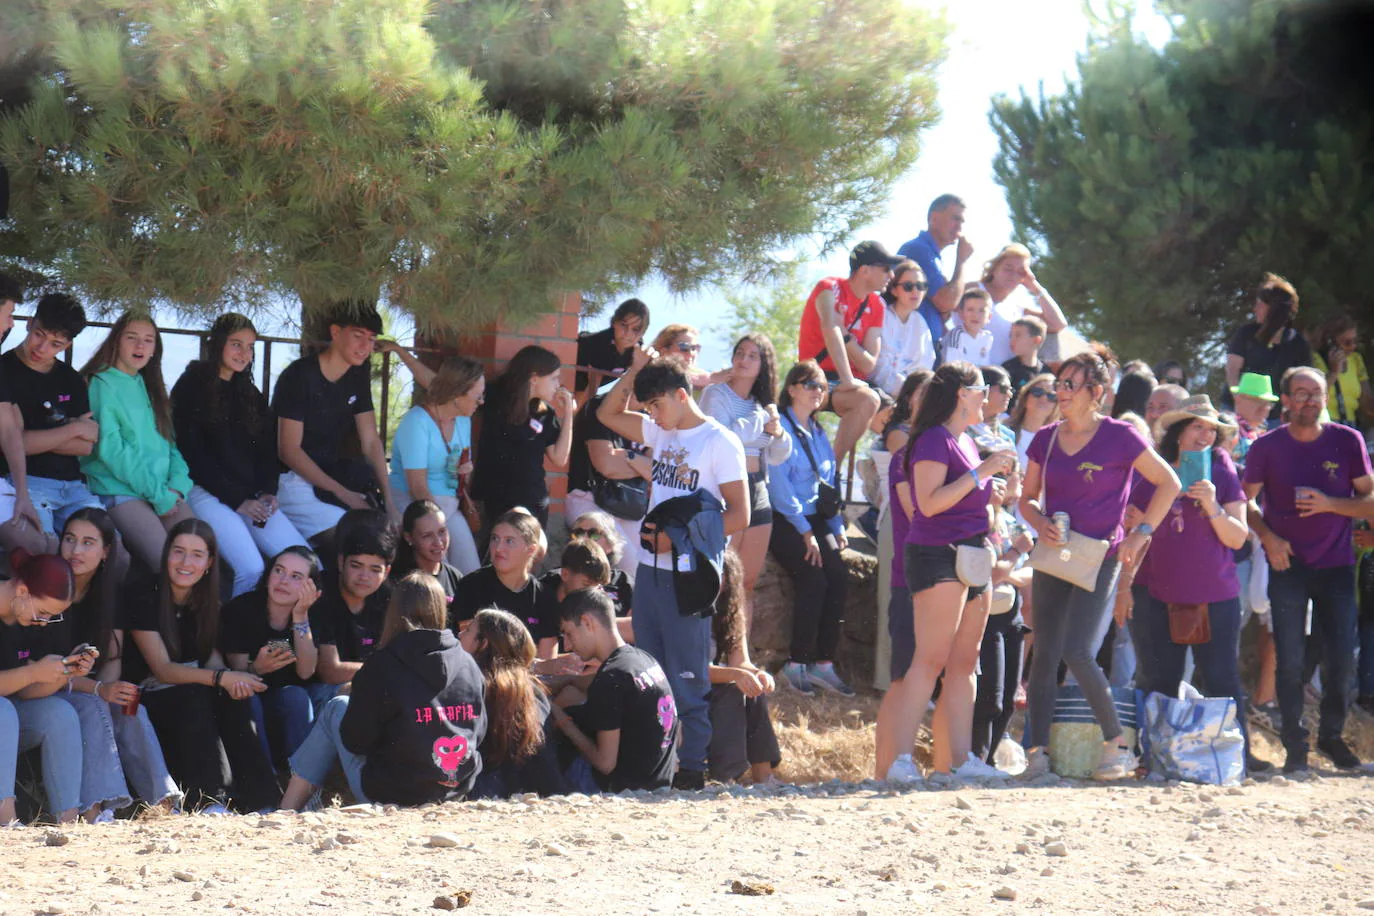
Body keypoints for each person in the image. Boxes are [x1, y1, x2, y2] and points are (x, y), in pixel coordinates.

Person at [1019, 348, 1181, 780]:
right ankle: (1037, 754)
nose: (1061, 392)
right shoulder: (1045, 438)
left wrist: (1141, 532)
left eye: (1071, 385)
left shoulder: (1122, 436)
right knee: (1044, 654)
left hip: (1103, 557)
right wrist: (1040, 522)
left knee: (1077, 651)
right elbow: (1026, 499)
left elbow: (1170, 482)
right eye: (1059, 384)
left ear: (1098, 393)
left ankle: (1119, 746)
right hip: (1056, 554)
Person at [597, 350, 748, 790]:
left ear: (683, 395)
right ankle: (653, 765)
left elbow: (740, 515)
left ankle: (692, 768)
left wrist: (680, 538)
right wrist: (634, 372)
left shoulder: (720, 442)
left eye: (657, 406)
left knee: (687, 674)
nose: (652, 417)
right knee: (650, 670)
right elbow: (608, 412)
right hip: (649, 569)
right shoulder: (659, 428)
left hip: (690, 575)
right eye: (647, 410)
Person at [880, 363, 1017, 783]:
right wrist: (983, 473)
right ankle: (901, 761)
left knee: (964, 662)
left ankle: (961, 761)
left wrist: (987, 490)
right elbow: (929, 503)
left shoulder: (965, 442)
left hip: (972, 555)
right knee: (930, 660)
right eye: (982, 390)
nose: (988, 397)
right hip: (938, 555)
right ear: (962, 393)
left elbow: (961, 496)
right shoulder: (936, 439)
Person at [1241, 367, 1374, 772]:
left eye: (1316, 394)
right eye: (1300, 393)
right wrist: (1268, 538)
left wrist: (1331, 504)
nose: (1310, 401)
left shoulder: (1346, 440)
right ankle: (1295, 749)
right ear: (1285, 400)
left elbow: (1370, 499)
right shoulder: (1267, 446)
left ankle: (1332, 741)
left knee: (1340, 659)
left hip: (1336, 564)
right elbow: (1244, 504)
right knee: (1291, 659)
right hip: (1288, 564)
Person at [1127, 397, 1263, 771]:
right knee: (1161, 680)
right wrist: (1124, 588)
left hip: (1215, 593)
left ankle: (1238, 758)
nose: (1206, 435)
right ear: (1178, 431)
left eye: (1211, 429)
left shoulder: (1220, 467)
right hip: (1157, 592)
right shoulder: (1153, 469)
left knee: (1221, 678)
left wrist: (1213, 504)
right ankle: (1157, 759)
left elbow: (1238, 538)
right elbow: (1135, 527)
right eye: (1197, 427)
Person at [279, 573, 488, 809]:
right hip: (456, 790)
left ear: (394, 611)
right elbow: (478, 733)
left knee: (336, 707)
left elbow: (355, 742)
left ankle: (287, 809)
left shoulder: (383, 664)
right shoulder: (469, 664)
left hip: (394, 794)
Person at [123, 519, 280, 813]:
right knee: (198, 693)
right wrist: (222, 677)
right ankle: (208, 799)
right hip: (145, 698)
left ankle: (262, 800)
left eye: (197, 554)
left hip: (188, 692)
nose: (186, 562)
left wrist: (238, 680)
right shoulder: (143, 595)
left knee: (232, 697)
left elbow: (213, 661)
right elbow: (163, 669)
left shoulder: (208, 600)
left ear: (209, 562)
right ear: (166, 554)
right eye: (178, 551)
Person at [171, 313, 309, 597]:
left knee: (305, 562)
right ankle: (233, 639)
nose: (244, 353)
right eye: (236, 344)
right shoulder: (191, 386)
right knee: (251, 568)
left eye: (250, 346)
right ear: (218, 344)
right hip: (205, 490)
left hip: (251, 497)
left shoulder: (249, 393)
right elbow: (193, 457)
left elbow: (268, 452)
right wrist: (239, 501)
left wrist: (269, 492)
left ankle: (285, 638)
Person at [58, 509, 182, 813]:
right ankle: (98, 810)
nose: (76, 550)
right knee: (96, 705)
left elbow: (112, 657)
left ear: (105, 552)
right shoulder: (48, 587)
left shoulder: (110, 594)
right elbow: (43, 668)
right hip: (49, 686)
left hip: (90, 685)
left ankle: (163, 804)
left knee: (130, 706)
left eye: (88, 542)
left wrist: (111, 687)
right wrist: (100, 689)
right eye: (70, 539)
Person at [273, 303, 399, 547]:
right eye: (358, 336)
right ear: (335, 332)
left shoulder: (357, 374)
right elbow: (288, 450)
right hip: (292, 479)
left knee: (384, 535)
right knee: (357, 540)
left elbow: (371, 441)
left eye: (372, 339)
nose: (366, 347)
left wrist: (391, 503)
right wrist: (343, 493)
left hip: (334, 476)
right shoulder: (299, 375)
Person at [79, 312, 195, 574]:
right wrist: (159, 495)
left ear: (155, 348)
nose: (140, 346)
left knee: (197, 552)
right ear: (116, 341)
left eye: (148, 340)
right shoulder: (101, 383)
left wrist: (177, 486)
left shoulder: (151, 386)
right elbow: (112, 451)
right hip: (121, 489)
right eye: (132, 338)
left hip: (163, 491)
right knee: (171, 566)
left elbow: (170, 445)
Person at [768, 361, 853, 697]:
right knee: (813, 577)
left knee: (840, 578)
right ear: (791, 389)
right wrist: (805, 531)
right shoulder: (781, 429)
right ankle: (796, 662)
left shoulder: (819, 433)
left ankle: (823, 664)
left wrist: (835, 526)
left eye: (821, 386)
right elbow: (779, 488)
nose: (818, 391)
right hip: (786, 519)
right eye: (809, 384)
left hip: (817, 518)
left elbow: (827, 485)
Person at [699, 333, 791, 630]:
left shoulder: (763, 405)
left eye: (753, 356)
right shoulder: (716, 394)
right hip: (725, 487)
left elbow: (777, 456)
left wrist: (777, 432)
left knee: (746, 583)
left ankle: (739, 657)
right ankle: (708, 655)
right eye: (740, 353)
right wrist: (760, 421)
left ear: (763, 365)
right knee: (719, 578)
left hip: (758, 488)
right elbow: (722, 436)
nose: (744, 360)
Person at [551, 588, 679, 792]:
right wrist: (565, 680)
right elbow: (607, 684)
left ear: (587, 622)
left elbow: (605, 763)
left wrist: (560, 720)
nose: (566, 645)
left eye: (568, 633)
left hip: (624, 788)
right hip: (658, 782)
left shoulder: (611, 678)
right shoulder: (643, 659)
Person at [0, 550, 89, 824]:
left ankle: (68, 821)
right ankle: (7, 819)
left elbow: (24, 692)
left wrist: (63, 673)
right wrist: (33, 671)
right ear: (23, 590)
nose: (44, 621)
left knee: (59, 713)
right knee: (3, 711)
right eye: (43, 612)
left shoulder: (22, 615)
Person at [0, 291, 86, 556]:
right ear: (29, 323)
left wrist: (38, 438)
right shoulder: (5, 369)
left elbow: (86, 447)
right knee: (44, 550)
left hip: (74, 484)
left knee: (112, 551)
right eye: (39, 335)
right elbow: (14, 439)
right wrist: (73, 429)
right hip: (28, 480)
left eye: (55, 344)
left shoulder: (71, 378)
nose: (42, 348)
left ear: (67, 346)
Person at [222, 546, 323, 762]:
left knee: (296, 697)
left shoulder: (312, 615)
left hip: (284, 704)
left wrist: (300, 616)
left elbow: (306, 672)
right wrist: (256, 668)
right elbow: (237, 672)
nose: (283, 581)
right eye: (279, 571)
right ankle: (265, 780)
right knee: (249, 697)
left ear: (311, 588)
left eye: (296, 577)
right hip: (244, 700)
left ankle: (302, 781)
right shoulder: (241, 609)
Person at [796, 241, 895, 460]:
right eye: (886, 269)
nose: (892, 275)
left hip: (853, 384)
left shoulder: (877, 305)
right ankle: (832, 473)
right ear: (865, 270)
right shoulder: (828, 288)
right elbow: (830, 328)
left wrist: (846, 335)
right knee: (868, 400)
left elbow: (868, 363)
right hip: (816, 378)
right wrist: (848, 379)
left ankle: (879, 477)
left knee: (901, 418)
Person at [387, 356, 485, 574]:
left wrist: (466, 471)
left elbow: (461, 474)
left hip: (448, 506)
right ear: (457, 394)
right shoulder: (417, 422)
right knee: (439, 570)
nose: (481, 402)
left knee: (471, 571)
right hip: (418, 506)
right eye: (477, 396)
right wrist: (440, 530)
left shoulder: (463, 419)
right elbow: (417, 487)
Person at [461, 608, 564, 798]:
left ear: (483, 644)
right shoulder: (534, 691)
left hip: (483, 794)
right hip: (536, 793)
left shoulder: (470, 688)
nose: (460, 634)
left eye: (468, 631)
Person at [470, 345, 575, 530]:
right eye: (554, 378)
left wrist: (568, 414)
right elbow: (453, 390)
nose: (558, 385)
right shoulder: (496, 395)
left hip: (533, 503)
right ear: (534, 378)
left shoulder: (545, 413)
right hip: (497, 501)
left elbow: (559, 458)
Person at [708, 550, 781, 784]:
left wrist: (758, 674)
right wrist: (735, 675)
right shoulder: (687, 612)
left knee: (754, 691)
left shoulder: (729, 613)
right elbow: (690, 668)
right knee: (733, 690)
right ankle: (725, 778)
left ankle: (764, 776)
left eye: (721, 574)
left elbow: (741, 661)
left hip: (720, 680)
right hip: (691, 683)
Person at [565, 382, 651, 579]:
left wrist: (627, 456)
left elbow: (654, 470)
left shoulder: (648, 419)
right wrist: (639, 462)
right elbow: (607, 465)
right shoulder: (599, 407)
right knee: (634, 568)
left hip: (629, 505)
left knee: (651, 565)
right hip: (589, 500)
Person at [450, 508, 561, 659]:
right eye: (495, 538)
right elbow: (471, 649)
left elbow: (547, 660)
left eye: (509, 541)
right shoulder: (471, 586)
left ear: (531, 549)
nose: (499, 548)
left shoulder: (544, 597)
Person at [310, 525, 396, 690]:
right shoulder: (321, 593)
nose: (364, 577)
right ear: (341, 562)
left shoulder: (388, 598)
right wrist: (386, 670)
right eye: (356, 566)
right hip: (320, 692)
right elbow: (329, 671)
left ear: (386, 572)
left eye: (375, 569)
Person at [897, 194, 973, 364]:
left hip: (922, 348)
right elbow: (946, 301)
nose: (959, 227)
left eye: (962, 222)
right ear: (934, 218)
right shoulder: (919, 249)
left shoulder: (931, 254)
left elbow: (945, 307)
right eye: (955, 219)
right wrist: (962, 260)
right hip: (911, 351)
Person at [1224, 273, 1311, 422]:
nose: (1254, 309)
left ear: (1273, 309)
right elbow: (1232, 369)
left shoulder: (1297, 343)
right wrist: (1241, 403)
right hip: (1237, 410)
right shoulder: (1246, 334)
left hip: (1276, 417)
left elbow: (1302, 382)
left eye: (1260, 305)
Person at [975, 244, 1069, 366]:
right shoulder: (974, 290)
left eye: (1020, 272)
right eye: (1008, 268)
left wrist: (1035, 287)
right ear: (995, 267)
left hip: (1001, 379)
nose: (1013, 275)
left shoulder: (1016, 308)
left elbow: (1057, 324)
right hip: (970, 376)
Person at [870, 260, 936, 396]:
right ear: (894, 290)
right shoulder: (882, 316)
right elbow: (879, 368)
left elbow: (925, 365)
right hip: (881, 391)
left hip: (913, 393)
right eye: (908, 286)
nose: (915, 291)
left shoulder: (920, 322)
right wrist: (907, 391)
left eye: (921, 286)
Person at [575, 298, 650, 399]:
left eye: (635, 329)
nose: (628, 333)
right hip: (569, 375)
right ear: (614, 322)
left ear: (643, 333)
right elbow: (588, 390)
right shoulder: (596, 344)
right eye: (624, 325)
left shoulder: (638, 351)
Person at [391, 499, 462, 600]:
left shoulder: (455, 577)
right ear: (409, 538)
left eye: (442, 531)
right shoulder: (399, 582)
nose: (438, 542)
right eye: (427, 536)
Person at [1312, 313, 1373, 427]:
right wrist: (1334, 373)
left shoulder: (1355, 359)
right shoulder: (1316, 359)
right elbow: (1314, 394)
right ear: (1330, 342)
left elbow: (1367, 401)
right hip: (1325, 423)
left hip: (1351, 423)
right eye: (1347, 342)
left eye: (1356, 341)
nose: (1353, 346)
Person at [649, 324, 728, 390]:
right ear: (664, 351)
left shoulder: (702, 374)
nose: (691, 353)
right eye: (684, 347)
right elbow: (680, 378)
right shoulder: (652, 373)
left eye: (694, 348)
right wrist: (712, 378)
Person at [1007, 373, 1060, 472]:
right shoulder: (1004, 430)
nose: (1043, 398)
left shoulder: (1057, 441)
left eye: (1051, 396)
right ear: (1025, 397)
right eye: (1038, 392)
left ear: (1056, 406)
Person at [941, 289, 995, 368]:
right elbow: (950, 366)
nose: (975, 315)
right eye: (970, 310)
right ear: (961, 314)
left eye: (981, 311)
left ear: (989, 317)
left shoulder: (988, 337)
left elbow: (985, 365)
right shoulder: (957, 335)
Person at [1002, 316, 1049, 403]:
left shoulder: (1045, 372)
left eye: (1018, 335)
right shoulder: (1007, 369)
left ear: (1036, 340)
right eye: (1011, 335)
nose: (1012, 340)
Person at [969, 365, 1016, 454]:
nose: (1010, 394)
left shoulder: (1008, 435)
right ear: (984, 389)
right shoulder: (961, 429)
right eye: (1004, 388)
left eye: (1011, 390)